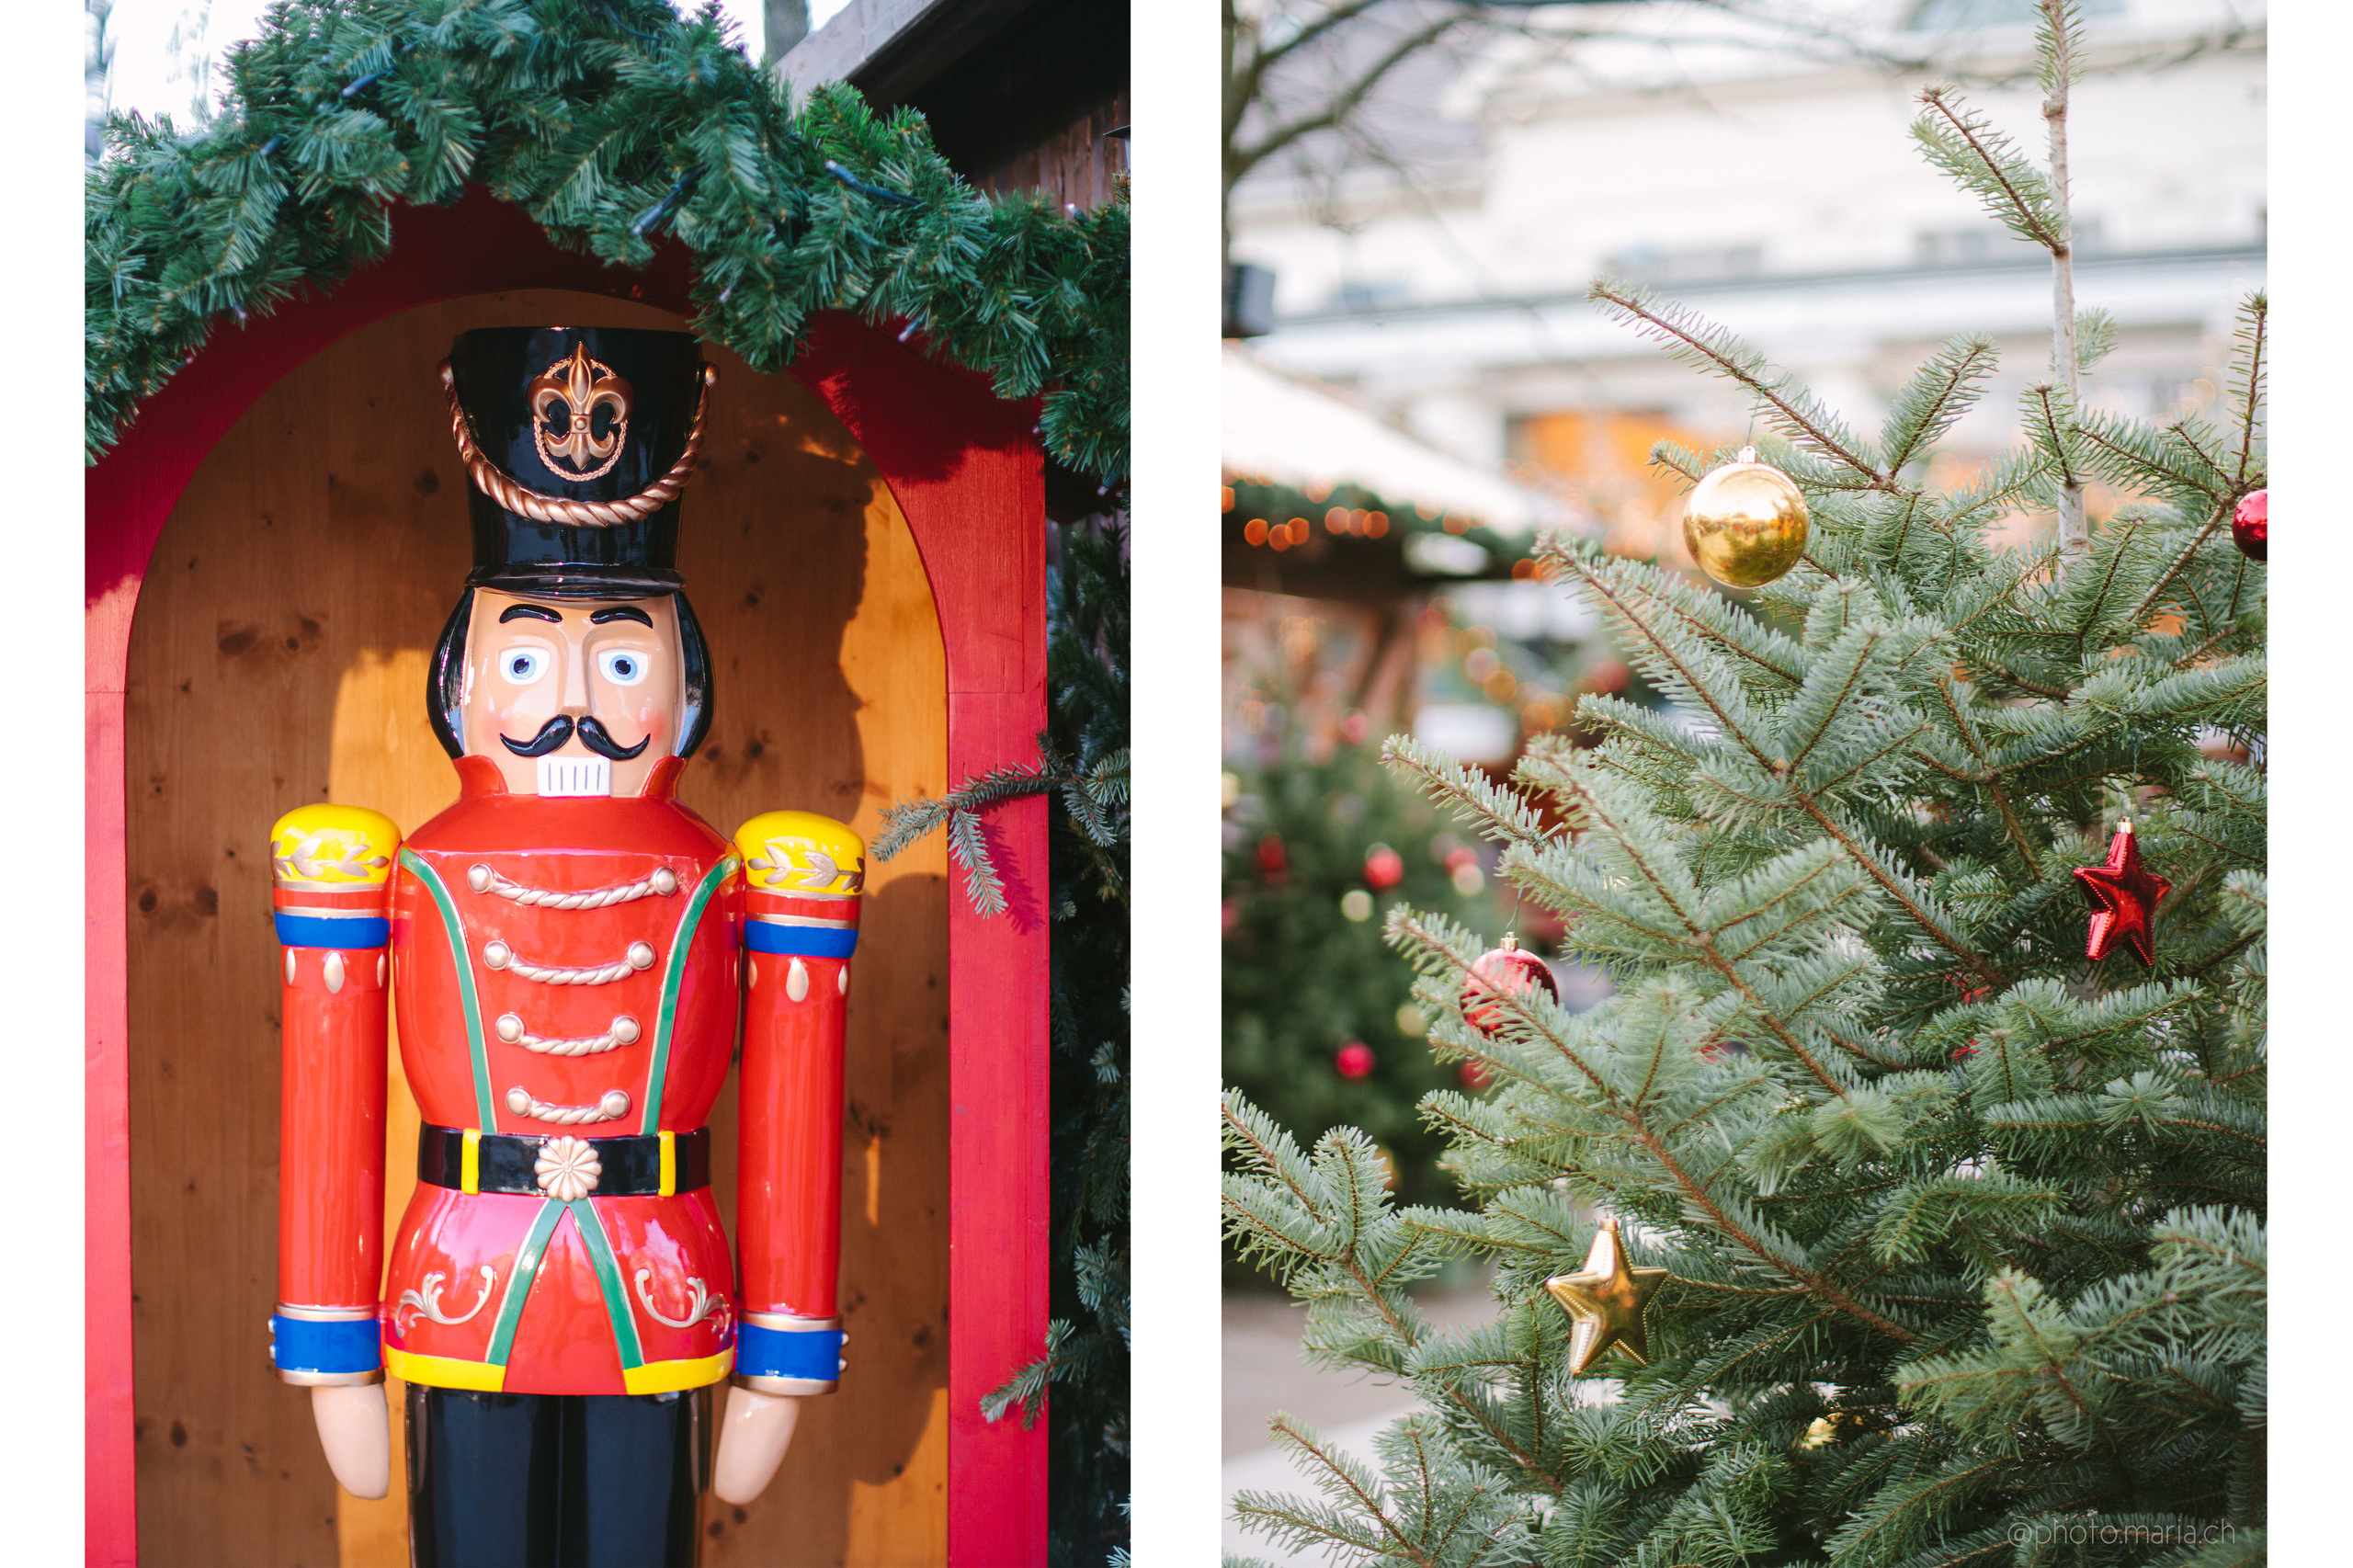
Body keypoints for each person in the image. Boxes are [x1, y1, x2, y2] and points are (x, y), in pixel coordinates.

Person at [265, 325, 858, 1565]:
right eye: (529, 657)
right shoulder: (393, 863)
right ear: (462, 680)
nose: (575, 701)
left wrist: (787, 1350)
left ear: (685, 685)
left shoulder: (751, 869)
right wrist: (329, 1345)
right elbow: (327, 1102)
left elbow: (796, 1103)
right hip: (468, 1271)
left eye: (622, 656)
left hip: (658, 1273)